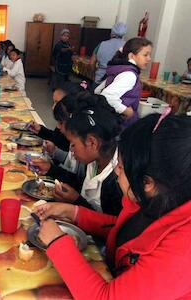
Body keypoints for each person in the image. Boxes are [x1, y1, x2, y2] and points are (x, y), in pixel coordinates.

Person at [34, 112, 191, 299]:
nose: (116, 171)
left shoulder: (182, 252)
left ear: (147, 183)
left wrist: (57, 243)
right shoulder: (158, 198)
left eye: (122, 168)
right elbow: (124, 230)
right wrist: (74, 212)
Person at [32, 93, 123, 216]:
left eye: (73, 144)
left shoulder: (117, 181)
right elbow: (81, 183)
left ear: (92, 142)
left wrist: (76, 201)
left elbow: (109, 227)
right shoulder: (94, 160)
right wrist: (50, 169)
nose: (71, 149)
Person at [95, 37, 152, 129]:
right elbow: (107, 96)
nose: (149, 59)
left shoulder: (120, 69)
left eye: (149, 55)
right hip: (120, 124)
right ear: (131, 56)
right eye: (145, 55)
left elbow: (98, 90)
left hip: (110, 120)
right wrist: (127, 111)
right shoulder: (129, 75)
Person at [29, 81, 84, 152]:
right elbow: (56, 138)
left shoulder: (74, 130)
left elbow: (67, 155)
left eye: (57, 103)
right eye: (53, 102)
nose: (53, 107)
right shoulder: (63, 120)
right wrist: (41, 130)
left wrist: (55, 151)